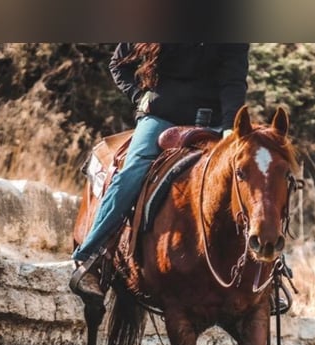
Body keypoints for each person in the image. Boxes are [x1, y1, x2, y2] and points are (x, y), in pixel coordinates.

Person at [69, 43, 250, 303]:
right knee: (133, 170)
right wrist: (140, 96)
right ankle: (90, 256)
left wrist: (232, 128)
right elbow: (119, 64)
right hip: (163, 116)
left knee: (254, 171)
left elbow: (234, 80)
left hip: (216, 121)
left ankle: (266, 278)